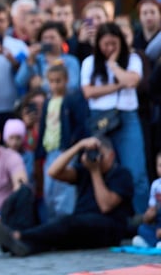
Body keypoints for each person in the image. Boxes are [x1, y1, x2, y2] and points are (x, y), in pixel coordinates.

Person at [0, 136, 134, 256]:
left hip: (109, 228)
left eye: (99, 154)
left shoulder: (121, 174)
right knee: (55, 238)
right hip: (81, 225)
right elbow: (53, 172)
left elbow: (106, 206)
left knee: (66, 223)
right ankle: (20, 246)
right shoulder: (85, 171)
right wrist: (78, 146)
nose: (95, 158)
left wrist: (95, 172)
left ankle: (19, 236)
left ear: (111, 156)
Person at [80, 21, 148, 212]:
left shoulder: (132, 59)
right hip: (101, 119)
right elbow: (88, 92)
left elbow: (131, 81)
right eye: (105, 44)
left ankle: (141, 216)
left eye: (114, 43)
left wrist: (113, 64)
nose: (109, 48)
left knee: (135, 170)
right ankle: (108, 216)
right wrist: (118, 85)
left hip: (126, 116)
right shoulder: (89, 62)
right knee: (103, 169)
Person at [36, 63, 88, 221]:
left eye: (58, 81)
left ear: (66, 80)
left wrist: (72, 143)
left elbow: (80, 124)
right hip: (50, 149)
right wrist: (40, 149)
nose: (55, 85)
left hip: (65, 150)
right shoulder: (48, 102)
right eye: (51, 81)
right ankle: (52, 221)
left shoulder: (72, 99)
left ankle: (65, 221)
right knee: (49, 188)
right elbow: (44, 126)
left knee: (64, 190)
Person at [15, 21, 81, 96]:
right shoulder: (36, 58)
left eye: (52, 38)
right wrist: (30, 61)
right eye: (45, 38)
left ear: (62, 39)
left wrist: (42, 84)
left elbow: (73, 86)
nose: (48, 41)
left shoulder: (71, 61)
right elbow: (19, 82)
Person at [133, 151, 161, 248]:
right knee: (142, 228)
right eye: (160, 165)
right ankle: (155, 243)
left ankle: (151, 243)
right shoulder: (155, 185)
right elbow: (151, 208)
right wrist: (148, 216)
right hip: (158, 222)